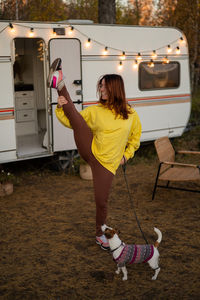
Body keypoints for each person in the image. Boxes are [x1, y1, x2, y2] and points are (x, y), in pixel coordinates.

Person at [48, 58, 142, 250]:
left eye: (105, 87)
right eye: (100, 87)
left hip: (107, 165)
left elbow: (135, 139)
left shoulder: (131, 114)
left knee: (101, 202)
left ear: (116, 89)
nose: (101, 90)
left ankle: (100, 234)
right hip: (90, 149)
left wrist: (126, 156)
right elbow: (71, 122)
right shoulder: (95, 110)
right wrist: (59, 107)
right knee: (78, 120)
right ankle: (60, 83)